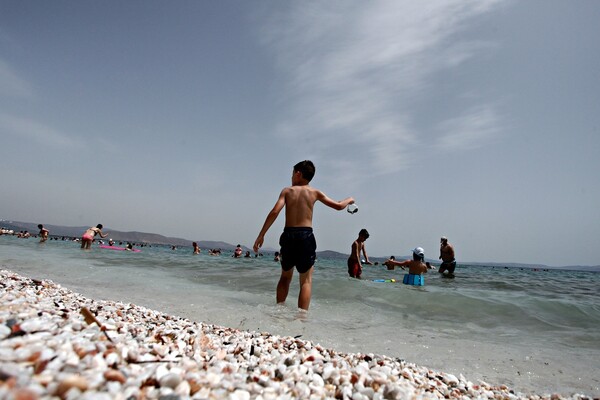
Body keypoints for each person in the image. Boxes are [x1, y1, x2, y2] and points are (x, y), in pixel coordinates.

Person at [253, 160, 354, 311]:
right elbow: (339, 206)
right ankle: (301, 318)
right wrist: (350, 199)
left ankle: (279, 310)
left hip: (289, 235)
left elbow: (275, 212)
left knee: (285, 277)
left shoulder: (287, 191)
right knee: (306, 280)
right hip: (306, 236)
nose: (291, 177)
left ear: (298, 174)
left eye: (292, 174)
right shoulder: (315, 193)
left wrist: (261, 235)